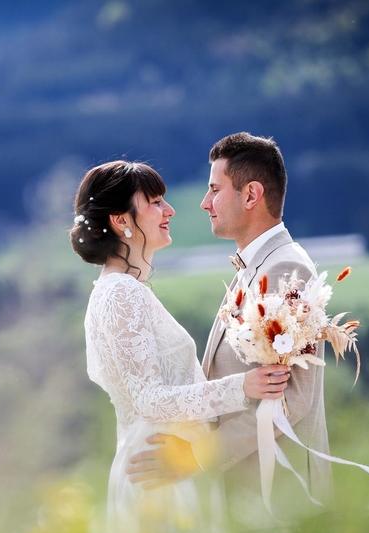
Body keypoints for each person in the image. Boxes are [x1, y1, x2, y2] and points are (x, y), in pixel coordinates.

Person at [70, 159, 290, 533]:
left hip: (170, 461)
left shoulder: (121, 289)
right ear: (122, 221)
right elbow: (148, 398)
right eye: (155, 202)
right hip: (159, 468)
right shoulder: (121, 293)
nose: (169, 211)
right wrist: (244, 387)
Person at [126, 132, 333, 510]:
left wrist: (197, 455)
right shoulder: (254, 267)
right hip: (247, 489)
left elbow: (292, 399)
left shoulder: (286, 267)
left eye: (214, 189)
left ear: (251, 195)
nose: (204, 203)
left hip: (281, 492)